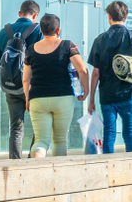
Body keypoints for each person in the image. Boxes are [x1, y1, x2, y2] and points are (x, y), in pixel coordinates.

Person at [86, 1, 132, 153]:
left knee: (109, 133)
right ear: (126, 17)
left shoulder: (99, 40)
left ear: (109, 16)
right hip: (128, 94)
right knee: (129, 134)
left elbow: (95, 73)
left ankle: (108, 166)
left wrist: (92, 99)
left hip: (107, 95)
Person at [22, 13, 88, 158]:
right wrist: (86, 90)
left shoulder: (31, 50)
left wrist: (27, 98)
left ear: (41, 30)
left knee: (40, 141)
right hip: (63, 98)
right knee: (59, 141)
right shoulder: (67, 46)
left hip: (38, 99)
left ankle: (37, 171)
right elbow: (82, 70)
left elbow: (26, 79)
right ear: (58, 30)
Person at [0, 0, 43, 159]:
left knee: (16, 128)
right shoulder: (37, 31)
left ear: (19, 13)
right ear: (35, 15)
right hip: (32, 87)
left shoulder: (4, 31)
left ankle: (15, 164)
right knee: (39, 128)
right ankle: (33, 161)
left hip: (11, 86)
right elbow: (41, 59)